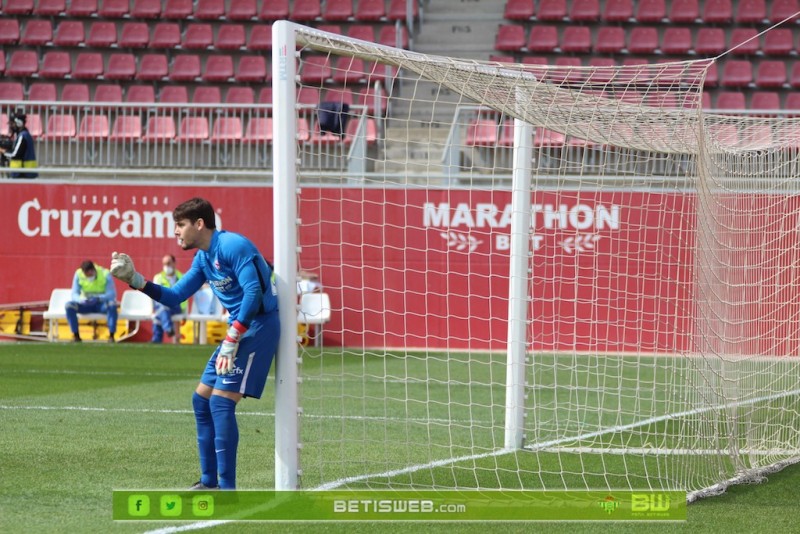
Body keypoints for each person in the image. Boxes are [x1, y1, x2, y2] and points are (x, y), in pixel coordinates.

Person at [109, 197, 280, 490]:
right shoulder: (203, 258)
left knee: (220, 403)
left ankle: (227, 490)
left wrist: (234, 335)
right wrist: (136, 280)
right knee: (201, 400)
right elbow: (175, 296)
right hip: (236, 330)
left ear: (199, 224)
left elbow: (253, 292)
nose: (176, 231)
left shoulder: (232, 246)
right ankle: (208, 481)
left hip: (257, 327)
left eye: (180, 225)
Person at [66, 260, 118, 343]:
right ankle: (76, 336)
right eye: (87, 275)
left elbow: (112, 294)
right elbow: (74, 293)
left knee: (112, 304)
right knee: (69, 306)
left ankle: (111, 336)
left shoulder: (105, 274)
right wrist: (80, 300)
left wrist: (98, 298)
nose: (89, 276)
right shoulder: (78, 274)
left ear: (94, 270)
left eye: (90, 274)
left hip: (100, 305)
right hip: (85, 305)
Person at [151, 254, 188, 343]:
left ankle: (160, 336)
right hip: (162, 305)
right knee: (159, 312)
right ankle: (164, 333)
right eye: (164, 264)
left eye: (168, 263)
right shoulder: (158, 277)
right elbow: (154, 295)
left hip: (177, 305)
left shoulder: (182, 277)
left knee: (160, 310)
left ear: (174, 263)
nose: (166, 266)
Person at [0, 111, 38, 179]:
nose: (11, 126)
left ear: (19, 123)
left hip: (23, 174)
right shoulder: (23, 135)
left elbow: (15, 155)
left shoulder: (22, 136)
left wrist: (3, 151)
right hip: (23, 174)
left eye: (12, 124)